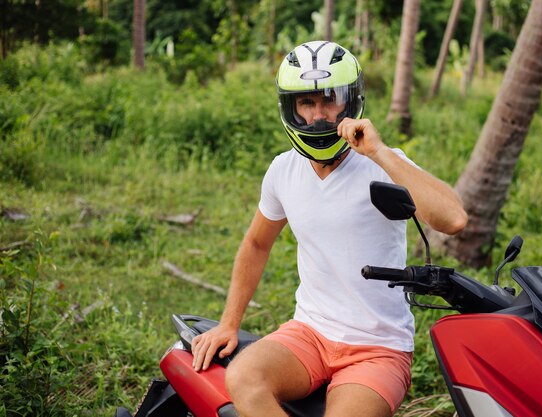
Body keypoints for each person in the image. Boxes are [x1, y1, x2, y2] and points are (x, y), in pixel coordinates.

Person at [191, 40, 468, 417]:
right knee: (243, 378)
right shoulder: (283, 171)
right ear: (291, 109)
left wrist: (379, 151)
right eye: (306, 103)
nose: (319, 115)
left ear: (351, 102)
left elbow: (452, 219)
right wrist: (229, 323)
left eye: (330, 100)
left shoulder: (382, 164)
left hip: (378, 348)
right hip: (309, 332)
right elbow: (257, 244)